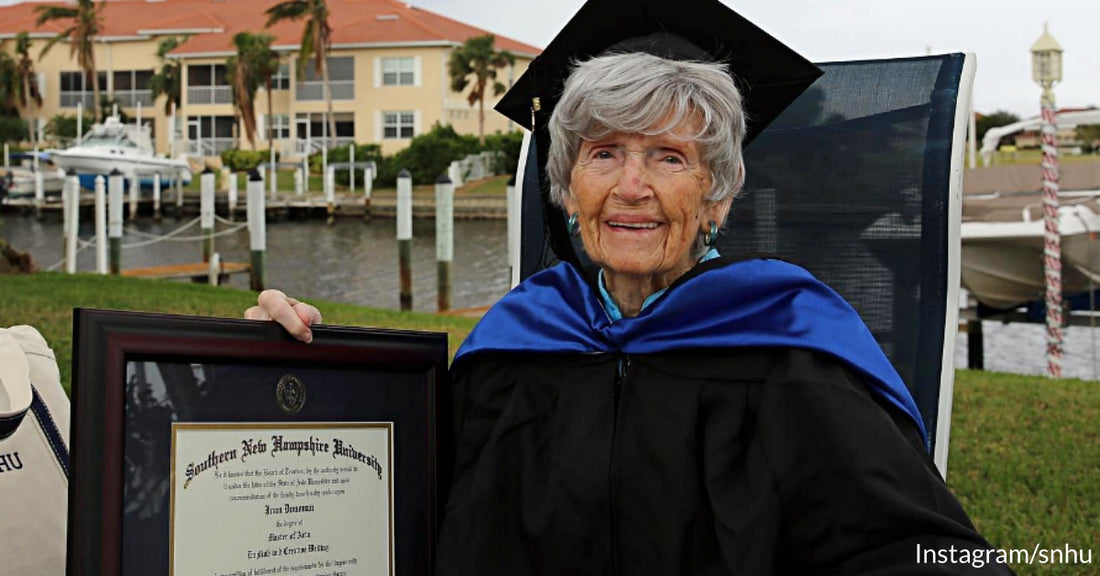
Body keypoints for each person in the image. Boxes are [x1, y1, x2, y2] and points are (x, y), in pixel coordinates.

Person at [248, 0, 1012, 573]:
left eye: (670, 157)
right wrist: (303, 369)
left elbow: (909, 549)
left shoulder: (791, 351)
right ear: (568, 185)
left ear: (717, 195)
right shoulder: (514, 347)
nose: (633, 186)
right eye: (604, 153)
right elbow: (384, 506)